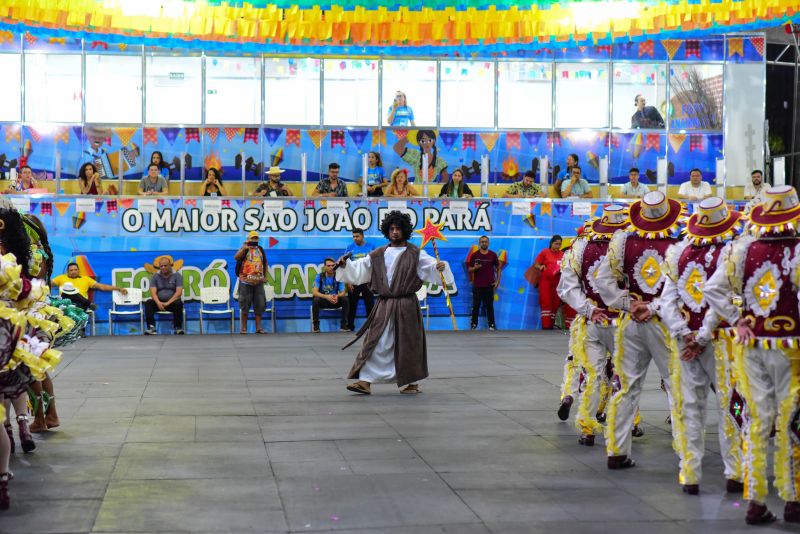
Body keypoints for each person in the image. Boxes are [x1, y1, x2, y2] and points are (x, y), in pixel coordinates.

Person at [702, 186, 800, 525]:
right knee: (792, 422)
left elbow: (711, 288)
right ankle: (793, 498)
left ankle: (756, 502)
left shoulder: (742, 249)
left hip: (752, 345)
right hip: (791, 348)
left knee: (757, 421)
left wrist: (736, 317)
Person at [657, 197, 744, 496]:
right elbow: (726, 298)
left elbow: (666, 301)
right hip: (723, 342)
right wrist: (704, 334)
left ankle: (690, 472)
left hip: (685, 344)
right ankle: (735, 472)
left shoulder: (678, 252)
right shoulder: (732, 252)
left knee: (689, 406)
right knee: (731, 403)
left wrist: (683, 333)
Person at [593, 191, 684, 470]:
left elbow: (602, 281)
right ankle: (686, 450)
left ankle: (617, 451)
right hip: (665, 322)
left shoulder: (623, 241)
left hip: (630, 322)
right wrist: (653, 307)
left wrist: (628, 304)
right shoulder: (678, 244)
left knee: (626, 387)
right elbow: (682, 288)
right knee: (676, 384)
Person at [336, 210, 453, 395]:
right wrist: (345, 265)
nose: (395, 232)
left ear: (405, 230)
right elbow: (360, 269)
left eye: (398, 228)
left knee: (408, 343)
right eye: (391, 228)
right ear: (386, 230)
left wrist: (440, 267)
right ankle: (365, 381)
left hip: (407, 305)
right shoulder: (378, 254)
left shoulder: (416, 253)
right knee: (376, 341)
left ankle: (411, 382)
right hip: (384, 304)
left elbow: (431, 268)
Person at [558, 205, 631, 446]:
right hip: (622, 321)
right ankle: (626, 424)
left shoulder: (580, 247)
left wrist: (589, 309)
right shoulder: (630, 246)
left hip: (591, 321)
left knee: (591, 375)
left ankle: (587, 427)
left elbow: (566, 288)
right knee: (625, 375)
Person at [51, 261, 128, 311]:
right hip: (65, 303)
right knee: (69, 292)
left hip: (80, 304)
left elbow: (102, 287)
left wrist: (118, 288)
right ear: (67, 271)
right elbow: (47, 284)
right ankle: (89, 303)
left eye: (75, 270)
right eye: (71, 270)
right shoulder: (61, 278)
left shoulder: (86, 279)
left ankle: (80, 330)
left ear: (78, 270)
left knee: (79, 302)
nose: (73, 272)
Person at [234, 231, 268, 334]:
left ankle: (258, 328)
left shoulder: (260, 249)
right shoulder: (244, 248)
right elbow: (236, 257)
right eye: (252, 238)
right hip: (245, 282)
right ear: (248, 239)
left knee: (260, 305)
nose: (254, 240)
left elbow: (265, 263)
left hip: (258, 282)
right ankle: (244, 328)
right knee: (245, 305)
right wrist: (244, 248)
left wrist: (265, 276)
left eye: (256, 238)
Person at [344, 229, 375, 332]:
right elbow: (346, 265)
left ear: (362, 236)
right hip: (354, 280)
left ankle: (371, 326)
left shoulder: (371, 247)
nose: (355, 238)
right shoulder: (350, 248)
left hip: (367, 280)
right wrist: (348, 281)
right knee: (352, 304)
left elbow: (375, 265)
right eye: (353, 236)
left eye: (357, 236)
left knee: (370, 304)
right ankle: (349, 326)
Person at [144, 256, 184, 335]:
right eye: (161, 266)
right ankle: (151, 327)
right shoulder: (155, 276)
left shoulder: (177, 275)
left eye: (165, 265)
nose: (163, 268)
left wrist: (167, 303)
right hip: (159, 303)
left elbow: (178, 293)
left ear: (170, 266)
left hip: (171, 303)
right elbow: (153, 293)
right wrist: (158, 302)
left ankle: (178, 327)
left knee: (179, 303)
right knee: (148, 303)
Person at [467, 236, 500, 330]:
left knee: (490, 306)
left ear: (488, 243)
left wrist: (497, 281)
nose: (484, 243)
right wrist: (475, 268)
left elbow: (498, 268)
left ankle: (492, 325)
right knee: (476, 306)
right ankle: (473, 325)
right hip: (477, 285)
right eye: (482, 242)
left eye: (485, 242)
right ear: (479, 243)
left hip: (490, 285)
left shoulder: (493, 255)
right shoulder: (474, 255)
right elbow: (469, 269)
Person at [534, 235, 566, 329]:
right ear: (551, 243)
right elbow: (536, 264)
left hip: (557, 281)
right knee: (546, 302)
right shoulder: (545, 252)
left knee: (555, 303)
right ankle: (546, 325)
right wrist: (540, 267)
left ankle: (551, 325)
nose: (558, 246)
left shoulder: (562, 254)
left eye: (559, 244)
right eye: (556, 244)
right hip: (545, 281)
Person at [311, 258, 349, 333]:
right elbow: (315, 292)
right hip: (324, 301)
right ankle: (316, 326)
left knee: (345, 299)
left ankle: (344, 325)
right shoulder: (319, 276)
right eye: (329, 266)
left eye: (333, 265)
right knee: (316, 300)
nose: (331, 267)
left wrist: (337, 296)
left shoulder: (338, 276)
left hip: (335, 300)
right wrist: (327, 297)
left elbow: (343, 292)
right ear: (324, 267)